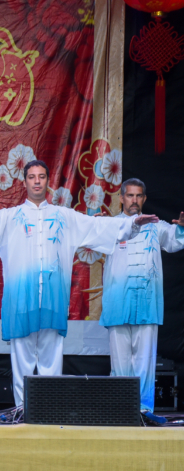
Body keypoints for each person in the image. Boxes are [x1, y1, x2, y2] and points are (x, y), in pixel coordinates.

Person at [0, 160, 157, 408]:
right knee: (22, 362)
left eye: (41, 177)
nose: (37, 181)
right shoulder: (9, 218)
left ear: (47, 181)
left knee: (51, 362)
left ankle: (49, 411)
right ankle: (22, 411)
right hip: (21, 301)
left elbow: (97, 226)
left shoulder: (64, 216)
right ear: (25, 182)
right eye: (32, 177)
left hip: (53, 301)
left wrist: (131, 223)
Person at [100, 178, 184, 423]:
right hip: (118, 304)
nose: (134, 200)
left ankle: (144, 412)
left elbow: (175, 240)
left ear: (144, 199)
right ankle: (120, 412)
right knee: (120, 364)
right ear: (121, 198)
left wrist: (182, 229)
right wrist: (95, 227)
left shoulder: (156, 225)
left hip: (147, 304)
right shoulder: (111, 226)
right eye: (130, 195)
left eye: (138, 196)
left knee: (144, 363)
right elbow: (92, 245)